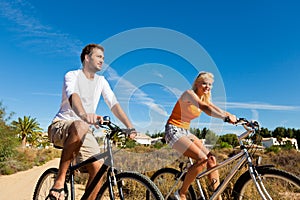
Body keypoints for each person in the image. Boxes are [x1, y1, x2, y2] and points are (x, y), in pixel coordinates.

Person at [47, 43, 136, 200]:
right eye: (98, 56)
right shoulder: (72, 75)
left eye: (103, 57)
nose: (102, 60)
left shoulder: (101, 81)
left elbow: (114, 104)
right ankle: (59, 181)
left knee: (99, 167)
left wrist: (129, 127)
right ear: (87, 58)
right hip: (61, 126)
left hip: (83, 131)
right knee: (81, 125)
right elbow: (73, 96)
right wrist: (83, 114)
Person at [164, 72, 237, 200]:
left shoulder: (205, 99)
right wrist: (225, 118)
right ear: (196, 83)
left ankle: (216, 197)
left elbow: (214, 108)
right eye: (204, 83)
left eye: (210, 84)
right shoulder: (189, 94)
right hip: (173, 130)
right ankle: (181, 193)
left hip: (186, 132)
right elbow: (204, 108)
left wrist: (235, 118)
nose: (207, 86)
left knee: (211, 160)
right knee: (202, 159)